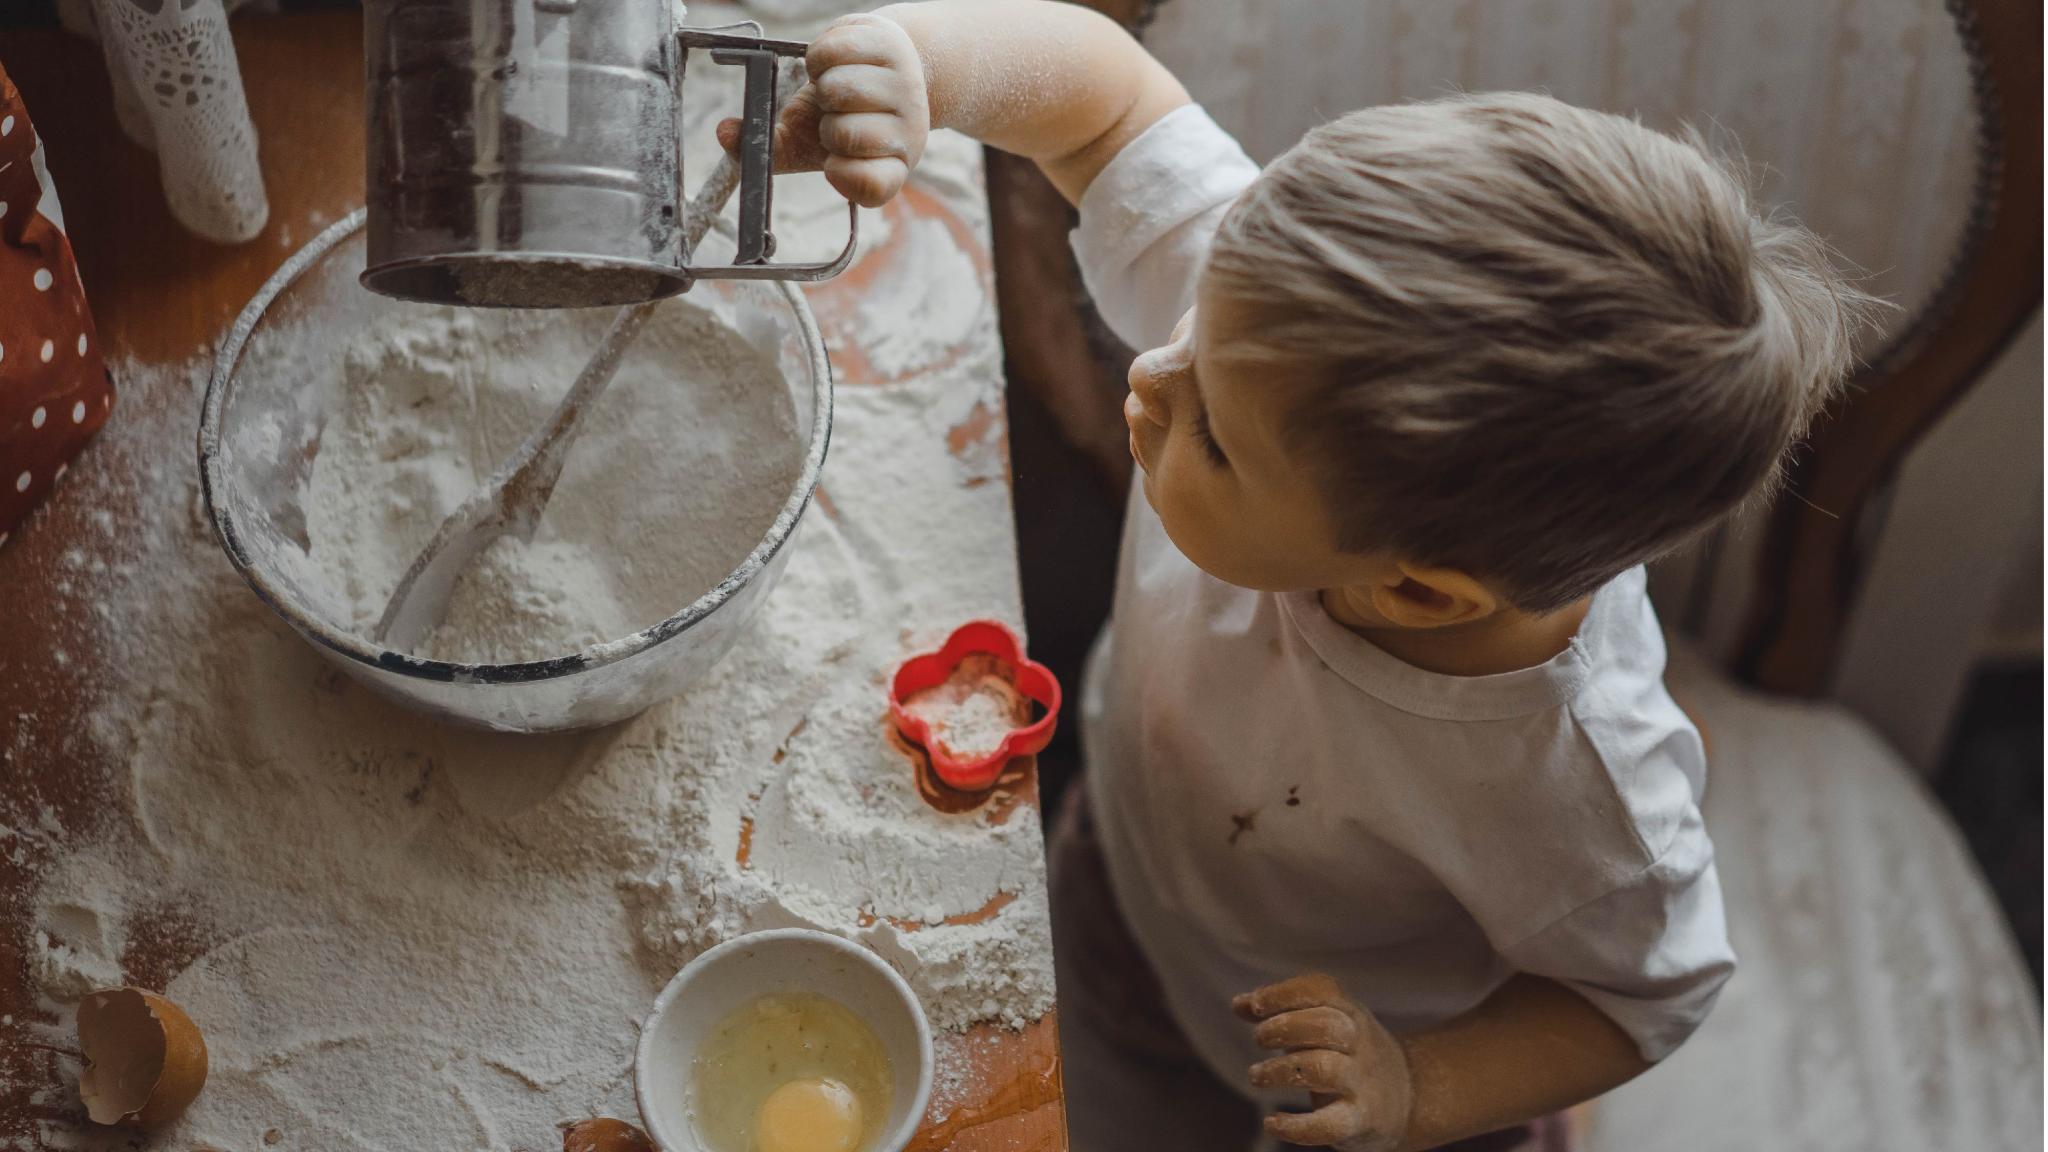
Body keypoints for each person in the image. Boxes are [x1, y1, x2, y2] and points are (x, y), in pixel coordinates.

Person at [739, 3, 1870, 1148]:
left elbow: (1642, 997)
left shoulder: (1570, 791)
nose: (1153, 370)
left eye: (1214, 436)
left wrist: (1416, 1087)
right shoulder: (1280, 336)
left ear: (1416, 593)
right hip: (1126, 871)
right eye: (1192, 327)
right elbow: (1108, 103)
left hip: (1333, 1058)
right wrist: (928, 64)